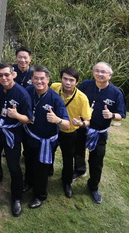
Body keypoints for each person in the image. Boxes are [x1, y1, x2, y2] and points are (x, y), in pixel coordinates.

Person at [75, 62, 126, 204]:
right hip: (81, 127)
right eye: (97, 71)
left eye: (103, 72)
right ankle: (79, 170)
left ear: (110, 75)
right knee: (77, 151)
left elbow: (121, 115)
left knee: (97, 160)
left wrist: (111, 115)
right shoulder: (86, 85)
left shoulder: (116, 93)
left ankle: (93, 186)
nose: (100, 74)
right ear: (93, 72)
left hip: (99, 132)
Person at [23, 65, 69, 210]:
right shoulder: (28, 91)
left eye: (42, 78)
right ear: (31, 79)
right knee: (28, 161)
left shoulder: (55, 100)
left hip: (45, 142)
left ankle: (40, 195)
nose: (39, 81)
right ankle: (28, 182)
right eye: (36, 78)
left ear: (48, 79)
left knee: (41, 169)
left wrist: (57, 120)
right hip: (30, 136)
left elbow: (67, 125)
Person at [0, 62, 33, 217]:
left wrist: (16, 115)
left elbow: (28, 119)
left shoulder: (22, 94)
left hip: (12, 134)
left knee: (13, 166)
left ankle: (16, 197)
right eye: (0, 75)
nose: (3, 78)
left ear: (13, 75)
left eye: (6, 75)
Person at [50, 67, 92, 198]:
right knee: (49, 151)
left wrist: (81, 124)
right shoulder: (54, 87)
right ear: (61, 79)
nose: (68, 82)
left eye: (71, 80)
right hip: (53, 128)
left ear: (77, 82)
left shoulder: (82, 98)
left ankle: (66, 182)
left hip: (69, 132)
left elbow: (88, 120)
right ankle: (48, 170)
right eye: (65, 79)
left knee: (68, 158)